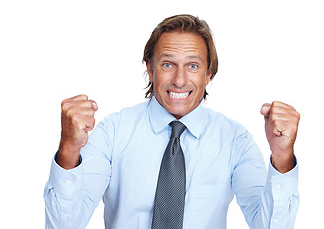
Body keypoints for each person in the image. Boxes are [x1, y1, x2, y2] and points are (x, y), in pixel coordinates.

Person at [44, 14, 300, 229]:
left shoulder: (235, 140)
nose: (179, 80)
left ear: (208, 74)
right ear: (150, 69)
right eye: (168, 64)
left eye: (192, 66)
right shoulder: (113, 132)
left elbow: (268, 226)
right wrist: (68, 150)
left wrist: (282, 157)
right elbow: (65, 224)